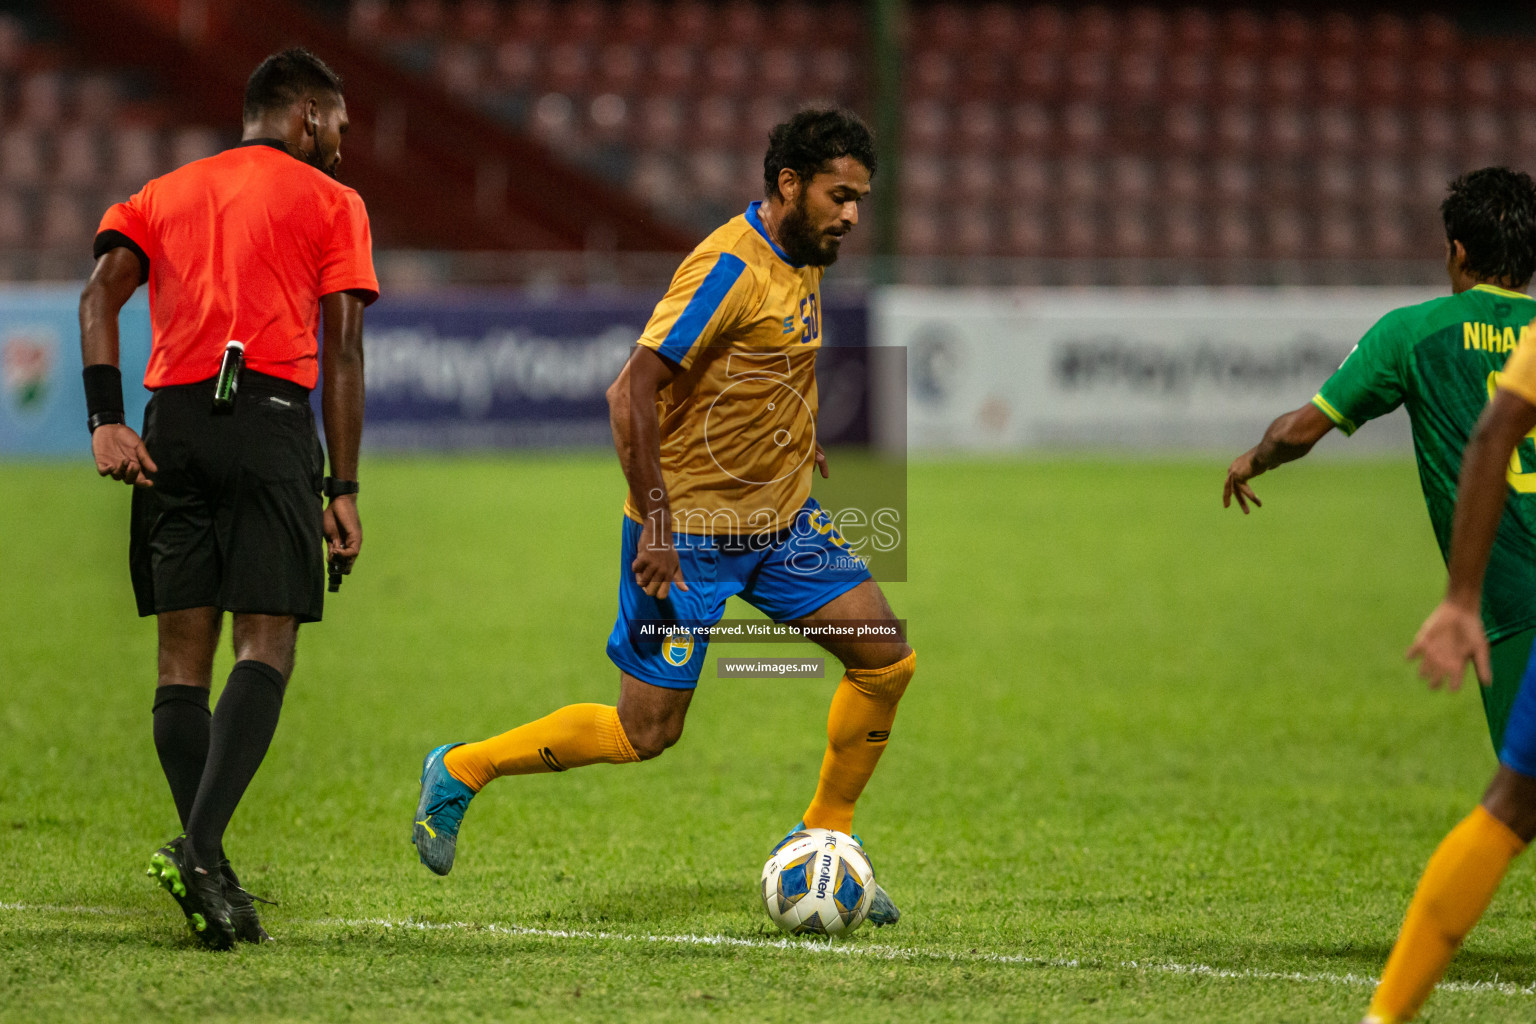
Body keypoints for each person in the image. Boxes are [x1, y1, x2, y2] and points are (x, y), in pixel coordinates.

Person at [411, 108, 913, 925]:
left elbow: (763, 364)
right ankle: (463, 767)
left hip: (781, 524)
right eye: (840, 195)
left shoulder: (809, 250)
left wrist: (797, 430)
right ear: (790, 186)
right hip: (689, 541)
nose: (853, 214)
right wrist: (655, 525)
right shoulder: (726, 267)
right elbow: (630, 390)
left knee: (885, 660)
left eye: (859, 198)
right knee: (646, 732)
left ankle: (828, 837)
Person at [80, 47, 377, 949]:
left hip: (170, 426)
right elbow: (345, 351)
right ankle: (200, 846)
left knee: (182, 660)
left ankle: (212, 876)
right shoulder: (335, 204)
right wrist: (344, 485)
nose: (343, 144)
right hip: (270, 418)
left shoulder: (162, 191)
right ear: (305, 118)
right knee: (267, 641)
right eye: (338, 126)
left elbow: (98, 296)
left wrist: (105, 419)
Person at [1224, 167, 1536, 757]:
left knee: (1520, 796)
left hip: (1517, 598)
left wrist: (1254, 460)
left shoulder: (1412, 333)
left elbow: (1300, 432)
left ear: (1458, 250)